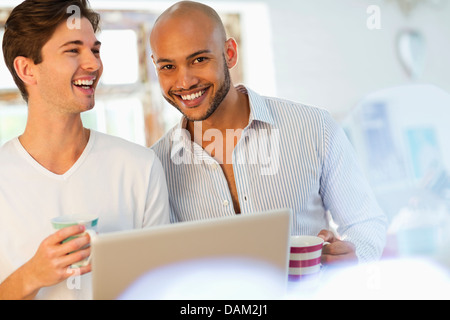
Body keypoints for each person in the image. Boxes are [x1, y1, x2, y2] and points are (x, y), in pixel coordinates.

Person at [150, 1, 387, 265]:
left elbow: (365, 222)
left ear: (229, 53)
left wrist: (356, 256)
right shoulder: (153, 166)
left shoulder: (314, 127)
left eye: (199, 59)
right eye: (168, 67)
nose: (185, 82)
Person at [0, 0, 170, 300]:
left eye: (95, 50)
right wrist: (32, 276)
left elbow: (164, 287)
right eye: (73, 50)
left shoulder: (139, 167)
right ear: (27, 69)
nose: (93, 64)